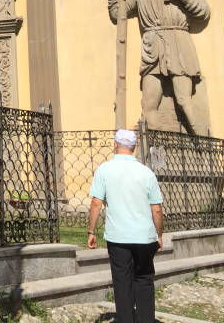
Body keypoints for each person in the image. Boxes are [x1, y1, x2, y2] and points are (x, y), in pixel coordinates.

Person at [108, 0, 210, 135]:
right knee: (148, 105)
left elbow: (203, 11)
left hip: (178, 44)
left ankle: (203, 147)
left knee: (183, 100)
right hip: (152, 48)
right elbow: (117, 14)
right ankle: (158, 152)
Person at [88, 129, 164, 323]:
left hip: (118, 237)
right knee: (144, 279)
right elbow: (156, 209)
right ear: (135, 148)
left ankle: (125, 319)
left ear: (115, 145)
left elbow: (96, 202)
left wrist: (91, 231)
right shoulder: (146, 172)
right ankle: (146, 319)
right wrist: (159, 234)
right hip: (144, 237)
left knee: (122, 281)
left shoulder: (104, 169)